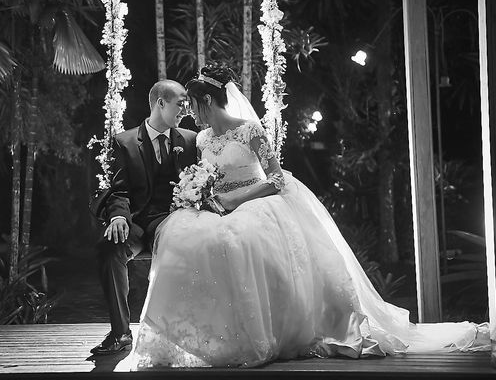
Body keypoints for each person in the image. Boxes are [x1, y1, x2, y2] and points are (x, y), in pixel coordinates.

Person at [129, 64, 489, 368]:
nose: (192, 113)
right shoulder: (203, 139)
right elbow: (206, 178)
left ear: (206, 100)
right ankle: (207, 336)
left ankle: (269, 331)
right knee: (187, 239)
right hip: (218, 208)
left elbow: (276, 178)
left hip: (257, 201)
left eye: (193, 105)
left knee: (240, 240)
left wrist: (235, 199)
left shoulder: (251, 130)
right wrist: (200, 193)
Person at [90, 79, 198, 356]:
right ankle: (120, 333)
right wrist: (117, 218)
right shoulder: (124, 142)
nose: (185, 110)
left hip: (174, 222)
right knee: (109, 247)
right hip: (136, 224)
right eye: (180, 103)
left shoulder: (190, 140)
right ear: (161, 103)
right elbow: (119, 189)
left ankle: (184, 330)